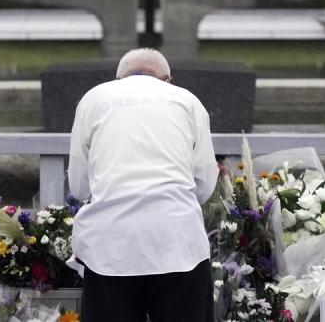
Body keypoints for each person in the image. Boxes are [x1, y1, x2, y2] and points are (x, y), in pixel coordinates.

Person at [67, 48, 218, 322]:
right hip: (178, 240)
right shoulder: (188, 101)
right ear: (168, 79)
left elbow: (79, 186)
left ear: (118, 79)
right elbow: (204, 182)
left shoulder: (94, 99)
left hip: (110, 245)